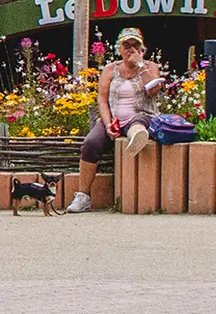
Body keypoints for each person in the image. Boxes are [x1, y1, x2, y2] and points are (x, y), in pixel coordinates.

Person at [68, 28, 161, 214]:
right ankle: (83, 196)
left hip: (141, 114)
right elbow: (102, 99)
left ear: (142, 49)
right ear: (119, 48)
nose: (131, 50)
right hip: (114, 118)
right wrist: (108, 123)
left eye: (135, 46)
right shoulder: (111, 69)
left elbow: (153, 91)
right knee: (91, 143)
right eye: (127, 46)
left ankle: (137, 137)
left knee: (138, 123)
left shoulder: (150, 67)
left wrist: (141, 66)